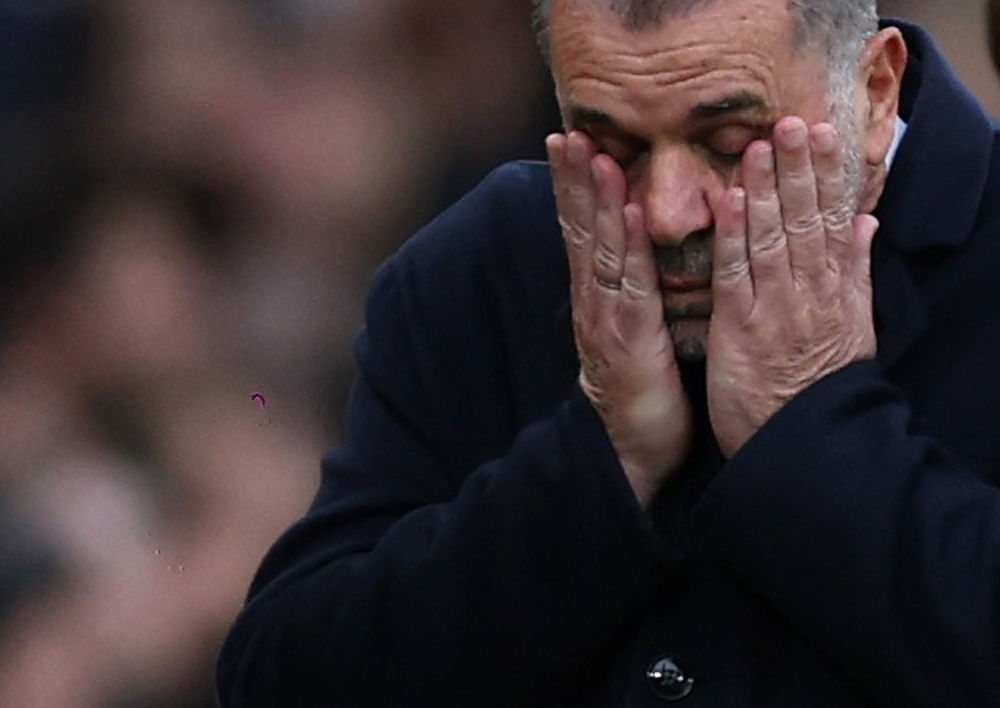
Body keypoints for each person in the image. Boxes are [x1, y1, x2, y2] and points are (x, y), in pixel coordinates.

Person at [216, 0, 1000, 705]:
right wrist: (599, 458)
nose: (667, 213)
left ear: (875, 91)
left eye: (730, 143)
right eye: (612, 148)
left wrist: (814, 437)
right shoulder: (485, 266)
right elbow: (284, 675)